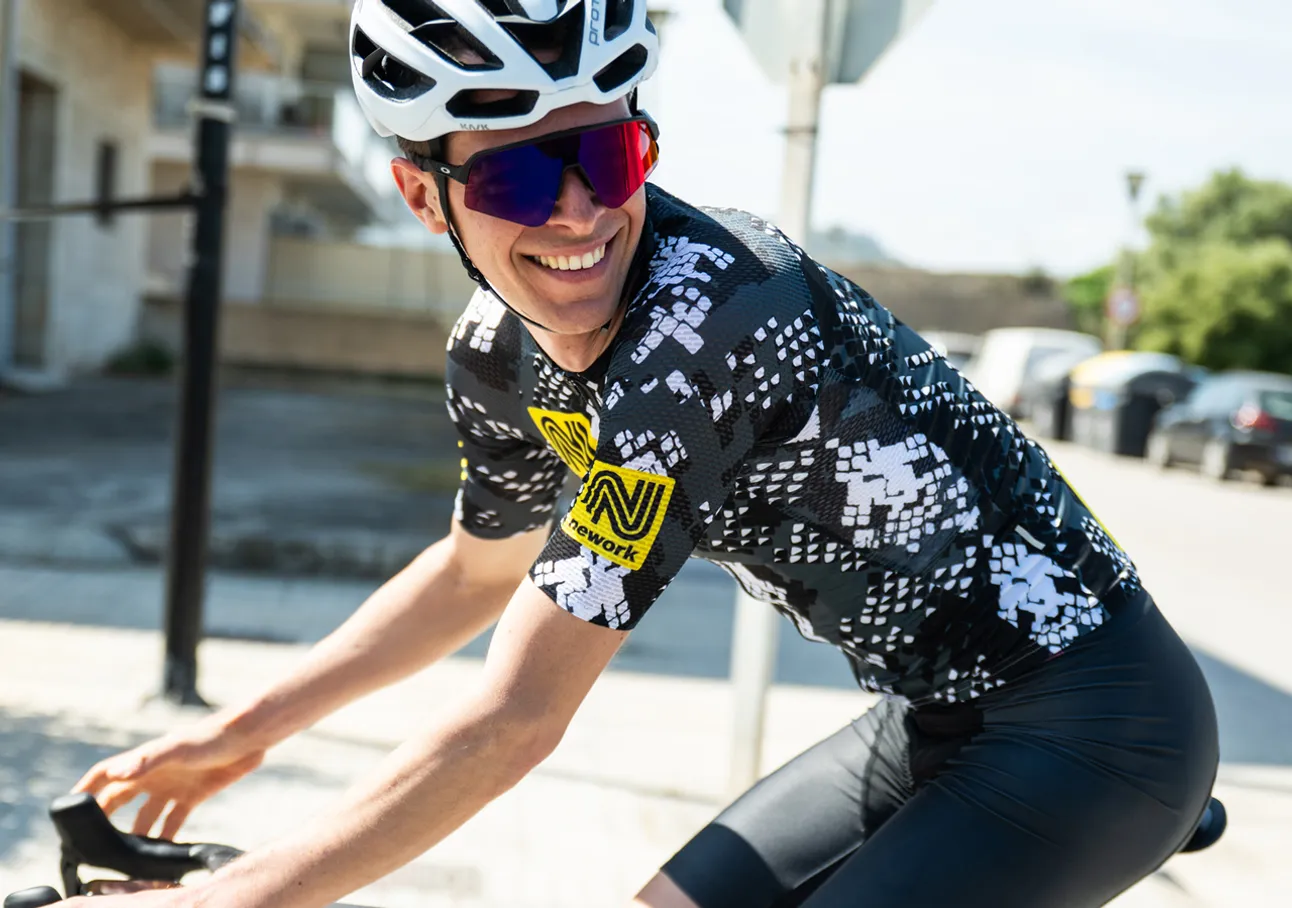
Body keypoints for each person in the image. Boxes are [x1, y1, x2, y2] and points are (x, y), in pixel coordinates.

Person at [69, 2, 1219, 906]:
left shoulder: (706, 329)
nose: (575, 215)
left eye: (607, 159)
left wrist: (234, 896)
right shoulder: (492, 351)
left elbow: (515, 716)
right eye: (518, 175)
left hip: (1093, 731)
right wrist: (235, 733)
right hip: (928, 716)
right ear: (423, 194)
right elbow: (475, 570)